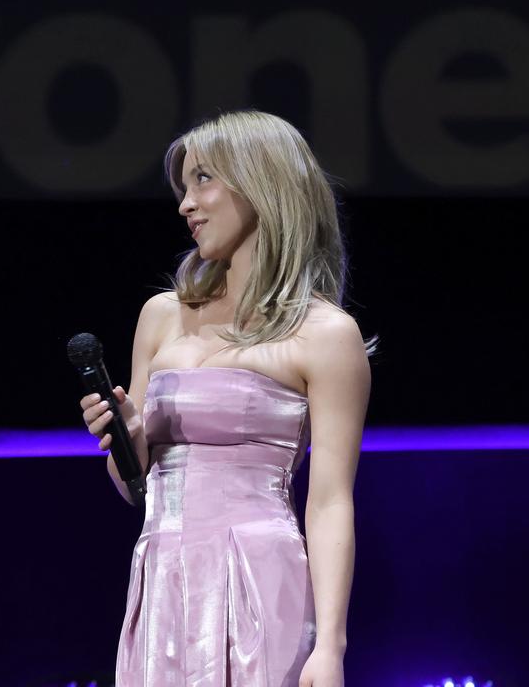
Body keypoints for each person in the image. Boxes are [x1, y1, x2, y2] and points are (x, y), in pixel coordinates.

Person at [79, 110, 370, 687]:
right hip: (163, 578)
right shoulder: (161, 317)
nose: (186, 203)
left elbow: (330, 501)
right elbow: (132, 485)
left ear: (264, 185)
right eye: (183, 186)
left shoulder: (326, 335)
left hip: (260, 581)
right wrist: (128, 439)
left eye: (204, 180)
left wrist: (330, 648)